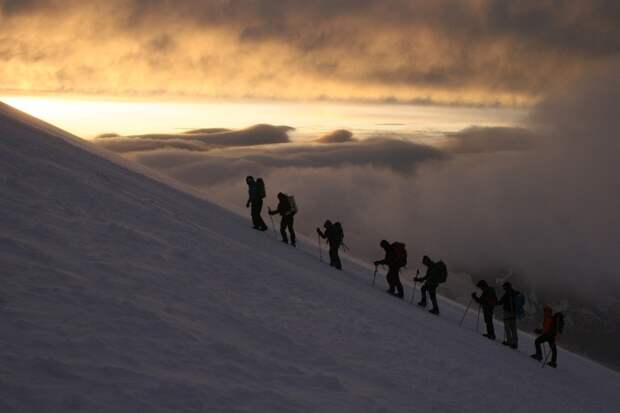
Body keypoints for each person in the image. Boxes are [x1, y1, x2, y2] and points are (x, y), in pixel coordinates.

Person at [497, 282, 518, 349]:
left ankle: (509, 341)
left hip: (507, 313)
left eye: (504, 287)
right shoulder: (515, 293)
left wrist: (495, 302)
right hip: (514, 313)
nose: (503, 288)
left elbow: (500, 302)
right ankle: (515, 343)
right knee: (513, 328)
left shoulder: (507, 294)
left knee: (507, 327)